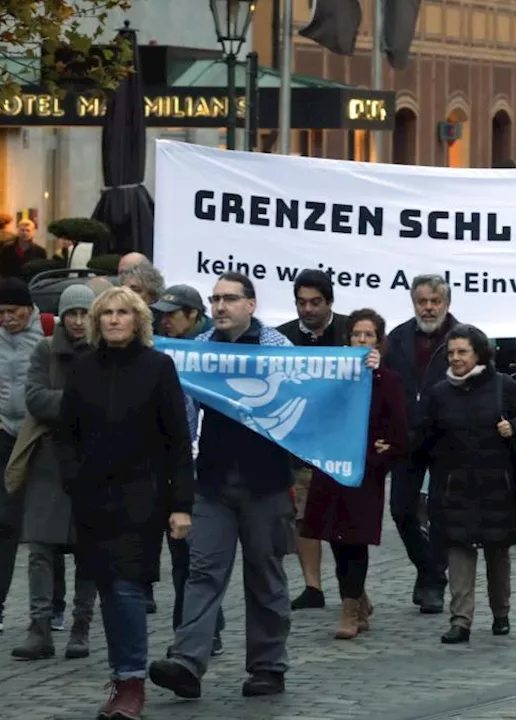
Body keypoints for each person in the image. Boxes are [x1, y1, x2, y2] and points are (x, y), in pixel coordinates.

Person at [149, 272, 298, 701]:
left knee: (265, 576)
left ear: (251, 304)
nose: (220, 307)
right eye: (215, 299)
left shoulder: (276, 348)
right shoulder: (197, 351)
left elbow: (312, 387)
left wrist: (360, 365)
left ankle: (268, 666)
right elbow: (183, 414)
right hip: (212, 483)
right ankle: (187, 663)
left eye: (229, 298)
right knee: (202, 572)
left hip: (265, 482)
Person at [54, 286, 195, 720]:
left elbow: (177, 441)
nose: (114, 319)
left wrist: (180, 504)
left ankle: (131, 682)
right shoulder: (82, 369)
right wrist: (74, 480)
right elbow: (66, 435)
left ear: (138, 320)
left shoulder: (158, 367)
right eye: (107, 313)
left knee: (127, 588)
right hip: (92, 499)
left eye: (123, 313)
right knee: (106, 589)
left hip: (142, 497)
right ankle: (121, 677)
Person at [411, 324, 516, 644]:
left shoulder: (502, 386)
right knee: (459, 553)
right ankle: (461, 620)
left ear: (478, 353)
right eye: (451, 352)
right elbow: (421, 438)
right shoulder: (438, 393)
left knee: (498, 552)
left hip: (497, 483)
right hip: (454, 485)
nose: (455, 358)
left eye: (462, 352)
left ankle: (501, 613)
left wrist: (514, 427)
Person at [299, 309, 407, 639]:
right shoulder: (333, 375)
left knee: (354, 538)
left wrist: (382, 451)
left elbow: (399, 430)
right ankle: (358, 596)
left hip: (364, 470)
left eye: (368, 335)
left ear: (379, 342)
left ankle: (349, 608)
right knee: (333, 534)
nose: (361, 340)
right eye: (357, 335)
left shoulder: (387, 380)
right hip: (330, 466)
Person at [11, 285, 99, 662]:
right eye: (72, 314)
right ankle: (40, 628)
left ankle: (81, 627)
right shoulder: (45, 350)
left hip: (92, 461)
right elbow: (33, 398)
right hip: (47, 460)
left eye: (84, 314)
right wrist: (81, 402)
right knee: (41, 549)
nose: (78, 322)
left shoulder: (104, 351)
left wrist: (67, 403)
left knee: (88, 551)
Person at [0, 279, 61, 633]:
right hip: (8, 436)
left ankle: (55, 606)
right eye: (0, 313)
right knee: (6, 520)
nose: (7, 318)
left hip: (44, 436)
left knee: (47, 524)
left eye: (13, 311)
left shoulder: (49, 330)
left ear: (29, 308)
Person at [149, 284, 225, 653]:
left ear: (194, 315)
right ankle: (194, 629)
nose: (164, 321)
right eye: (161, 314)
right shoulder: (163, 350)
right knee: (182, 554)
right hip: (174, 464)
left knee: (200, 556)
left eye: (172, 314)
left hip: (210, 466)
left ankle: (200, 630)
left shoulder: (212, 349)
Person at [381, 275, 461, 614]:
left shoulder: (464, 338)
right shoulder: (397, 338)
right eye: (422, 301)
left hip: (447, 438)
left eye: (435, 301)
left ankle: (433, 583)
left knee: (442, 511)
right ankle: (427, 569)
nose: (428, 308)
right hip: (406, 437)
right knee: (401, 509)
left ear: (446, 303)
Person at [275, 270, 349, 611]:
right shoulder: (282, 338)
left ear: (330, 302)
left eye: (315, 302)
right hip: (300, 441)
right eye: (301, 303)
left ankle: (353, 586)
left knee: (342, 517)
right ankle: (312, 586)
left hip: (342, 439)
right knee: (303, 516)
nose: (307, 309)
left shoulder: (352, 332)